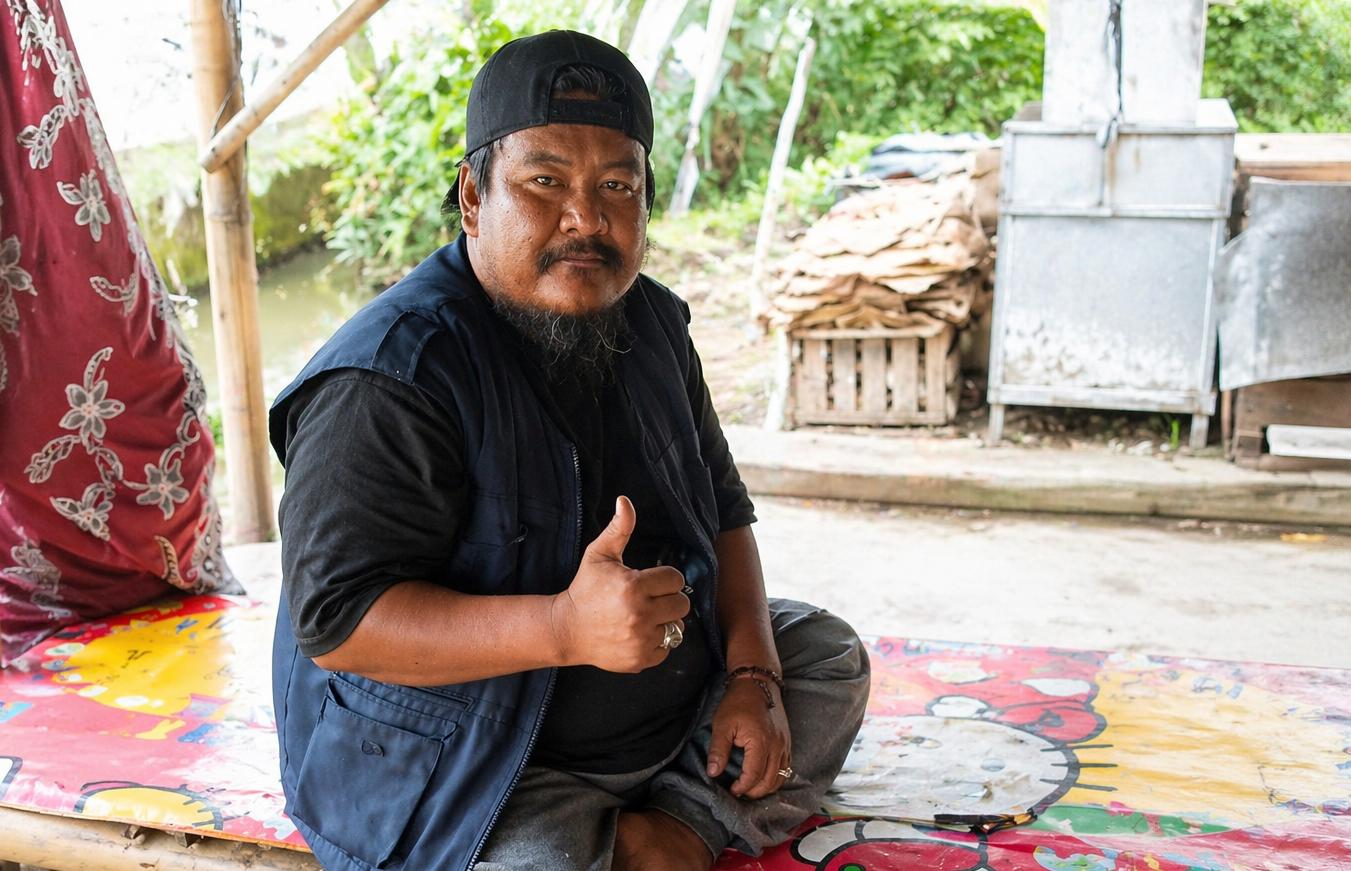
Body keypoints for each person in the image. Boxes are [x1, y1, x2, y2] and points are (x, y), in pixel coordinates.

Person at [268, 30, 869, 871]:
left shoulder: (653, 322)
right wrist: (562, 627)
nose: (586, 218)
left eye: (617, 186)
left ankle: (678, 826)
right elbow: (338, 624)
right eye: (545, 182)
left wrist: (751, 679)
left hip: (668, 711)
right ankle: (663, 825)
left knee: (824, 655)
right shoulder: (390, 372)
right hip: (477, 761)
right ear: (472, 196)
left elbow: (724, 511)